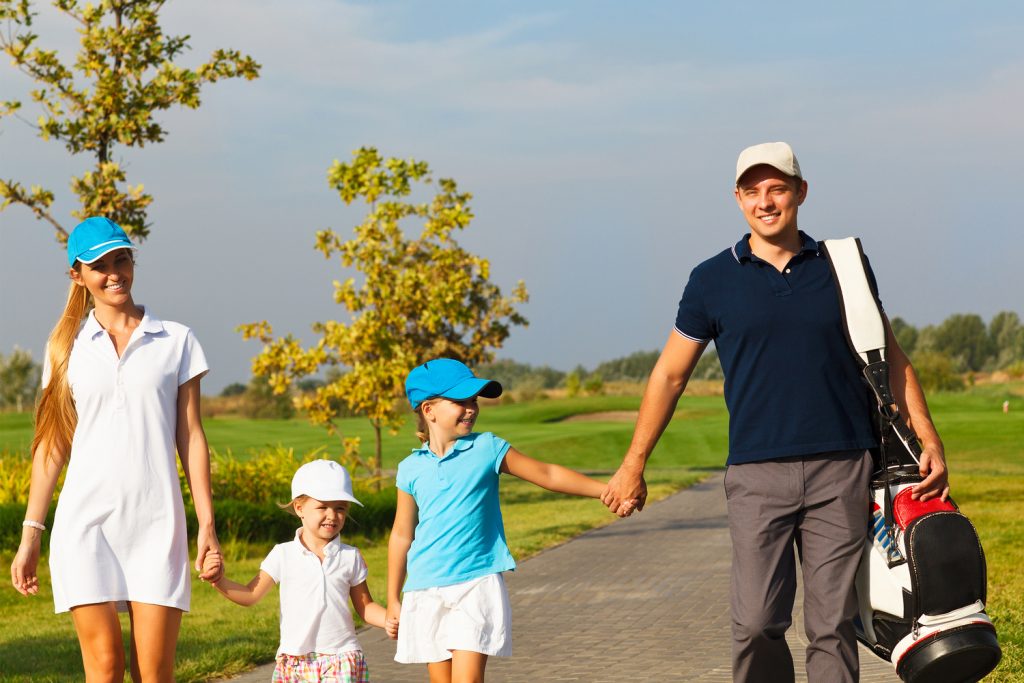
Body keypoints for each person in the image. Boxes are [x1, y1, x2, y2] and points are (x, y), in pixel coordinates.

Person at [600, 142, 949, 683]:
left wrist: (928, 436)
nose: (765, 201)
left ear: (800, 192)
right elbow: (669, 375)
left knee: (832, 625)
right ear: (738, 198)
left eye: (777, 188)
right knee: (756, 622)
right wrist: (633, 463)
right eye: (752, 191)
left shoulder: (845, 267)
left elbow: (891, 356)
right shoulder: (711, 279)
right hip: (757, 474)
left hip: (842, 467)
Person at [9, 216, 223, 682]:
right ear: (77, 275)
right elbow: (51, 446)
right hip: (85, 527)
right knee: (105, 667)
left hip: (158, 526)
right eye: (99, 266)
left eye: (121, 260)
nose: (114, 274)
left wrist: (207, 524)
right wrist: (31, 535)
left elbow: (191, 436)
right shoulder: (64, 349)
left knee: (154, 673)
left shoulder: (177, 340)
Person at [387, 358, 625, 683]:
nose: (471, 409)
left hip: (474, 583)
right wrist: (392, 598)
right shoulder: (410, 468)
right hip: (425, 588)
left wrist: (606, 491)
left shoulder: (487, 448)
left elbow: (546, 473)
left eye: (474, 401)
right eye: (461, 401)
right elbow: (402, 534)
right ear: (429, 410)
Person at [204, 459, 395, 683]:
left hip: (341, 657)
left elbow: (365, 606)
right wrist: (218, 580)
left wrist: (389, 620)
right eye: (322, 507)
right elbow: (250, 594)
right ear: (299, 508)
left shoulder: (350, 556)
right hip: (294, 663)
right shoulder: (282, 554)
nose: (332, 515)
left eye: (340, 508)